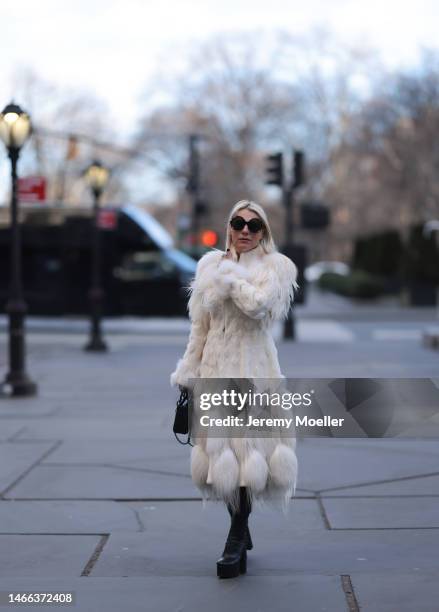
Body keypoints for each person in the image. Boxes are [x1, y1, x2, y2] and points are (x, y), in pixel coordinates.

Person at [170, 199, 300, 579]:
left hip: (253, 373)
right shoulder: (208, 265)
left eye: (254, 225)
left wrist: (231, 281)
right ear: (229, 226)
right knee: (221, 458)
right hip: (213, 369)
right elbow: (200, 326)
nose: (245, 230)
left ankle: (234, 539)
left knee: (248, 455)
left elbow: (260, 309)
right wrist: (188, 370)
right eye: (239, 223)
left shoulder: (277, 267)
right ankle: (241, 530)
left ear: (263, 231)